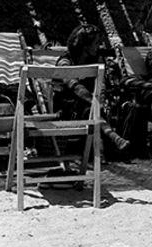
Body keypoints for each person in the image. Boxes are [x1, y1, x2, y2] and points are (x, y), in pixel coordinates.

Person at [54, 23, 131, 155]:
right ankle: (113, 137)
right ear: (85, 45)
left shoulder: (95, 59)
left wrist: (100, 99)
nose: (98, 46)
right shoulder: (65, 61)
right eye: (95, 43)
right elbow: (75, 86)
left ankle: (109, 148)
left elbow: (100, 83)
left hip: (89, 103)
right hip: (67, 107)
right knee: (89, 109)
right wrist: (94, 101)